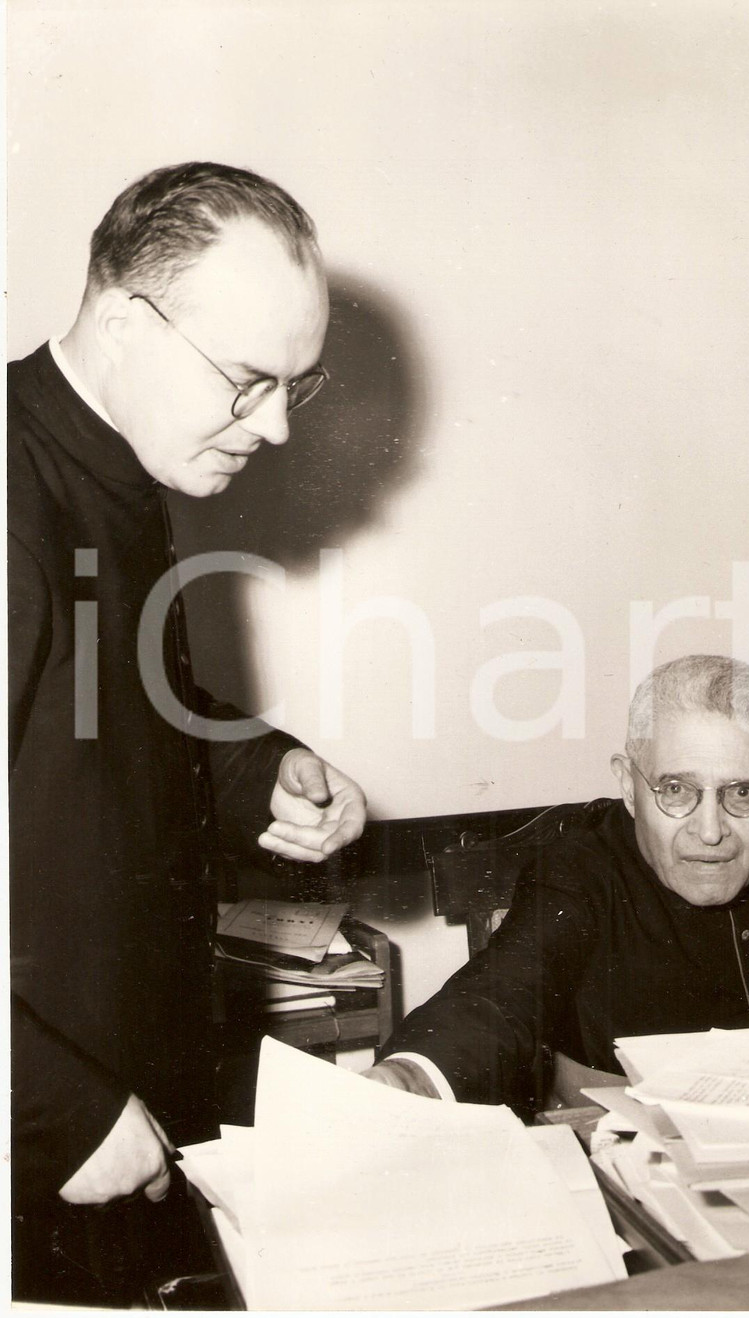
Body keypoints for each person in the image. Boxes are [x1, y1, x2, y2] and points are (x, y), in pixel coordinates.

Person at [8, 161, 367, 1305]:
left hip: (122, 1110)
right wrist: (49, 1108)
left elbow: (100, 717)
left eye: (293, 389)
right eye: (247, 381)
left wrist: (267, 768)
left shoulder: (116, 462)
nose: (270, 427)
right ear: (123, 321)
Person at [367, 655, 749, 1111]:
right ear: (629, 785)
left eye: (742, 793)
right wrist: (409, 1078)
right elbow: (500, 993)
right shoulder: (578, 870)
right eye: (675, 790)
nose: (710, 832)